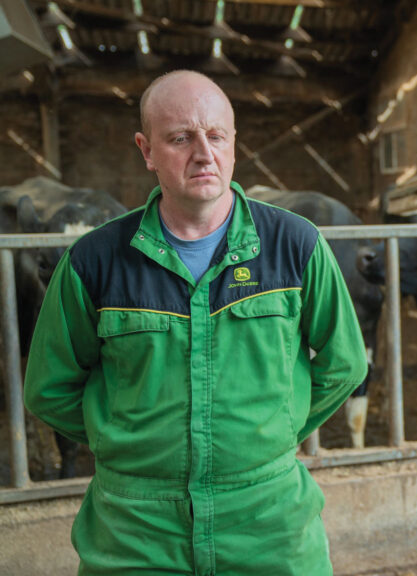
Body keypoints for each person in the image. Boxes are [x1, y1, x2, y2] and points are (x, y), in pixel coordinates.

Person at [23, 70, 368, 575]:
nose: (203, 153)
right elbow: (48, 387)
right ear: (146, 150)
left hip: (268, 523)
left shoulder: (296, 246)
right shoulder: (93, 261)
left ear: (233, 144)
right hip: (136, 531)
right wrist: (122, 438)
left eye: (217, 135)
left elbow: (345, 365)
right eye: (181, 138)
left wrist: (274, 432)